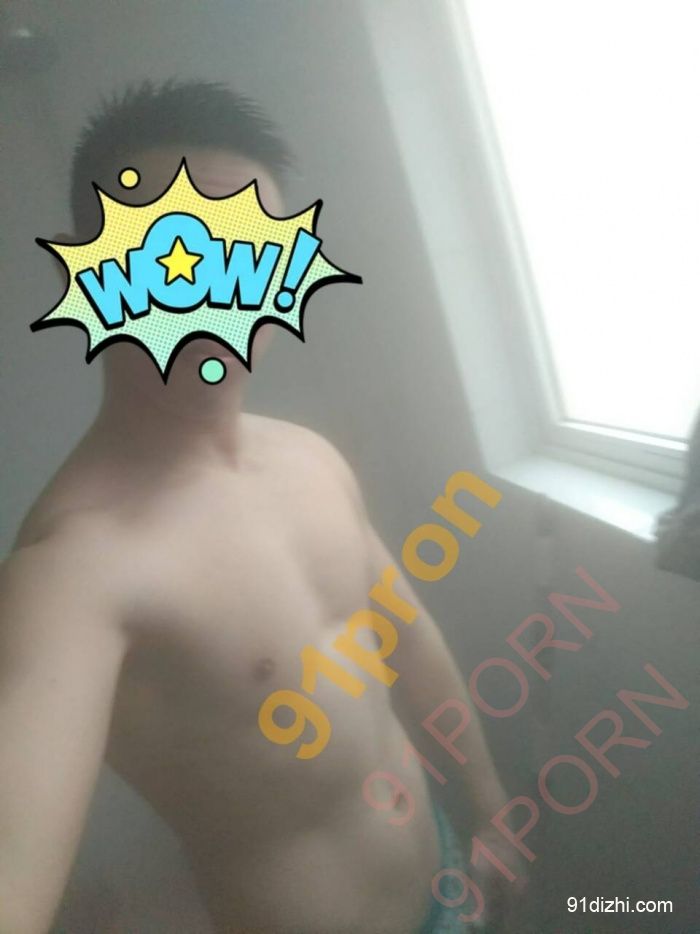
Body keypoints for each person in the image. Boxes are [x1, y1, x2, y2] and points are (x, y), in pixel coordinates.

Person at [0, 80, 519, 934]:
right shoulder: (73, 571)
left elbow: (408, 636)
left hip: (449, 874)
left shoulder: (310, 458)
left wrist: (490, 806)